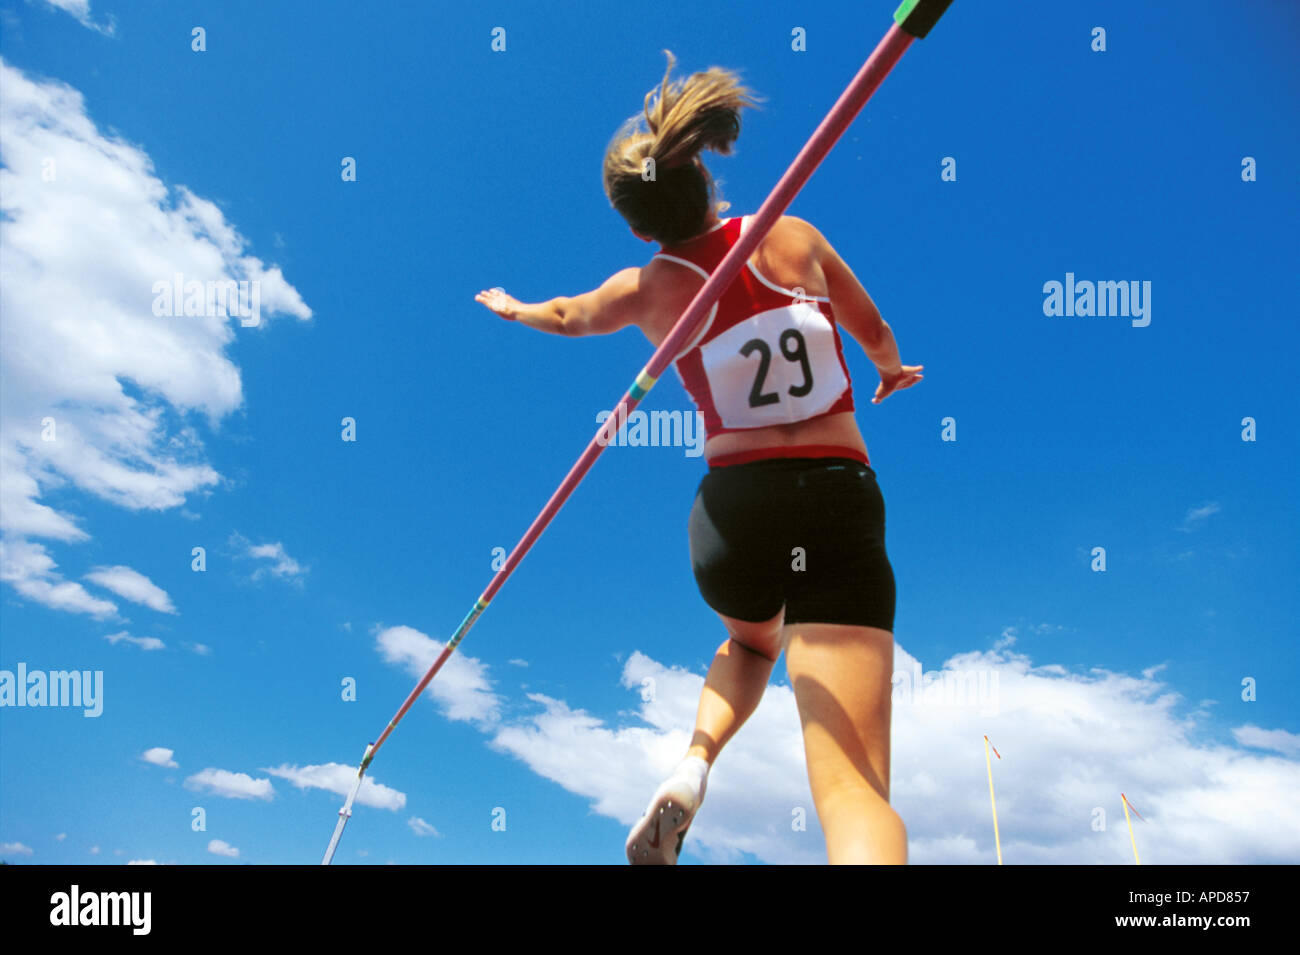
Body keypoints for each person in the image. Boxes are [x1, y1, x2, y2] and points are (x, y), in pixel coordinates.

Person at [474, 51, 922, 865]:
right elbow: (873, 327)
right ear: (707, 175)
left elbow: (573, 315)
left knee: (751, 645)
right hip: (835, 494)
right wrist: (890, 369)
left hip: (732, 514)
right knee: (855, 791)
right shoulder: (791, 235)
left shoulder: (650, 287)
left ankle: (693, 763)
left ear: (639, 225)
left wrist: (516, 310)